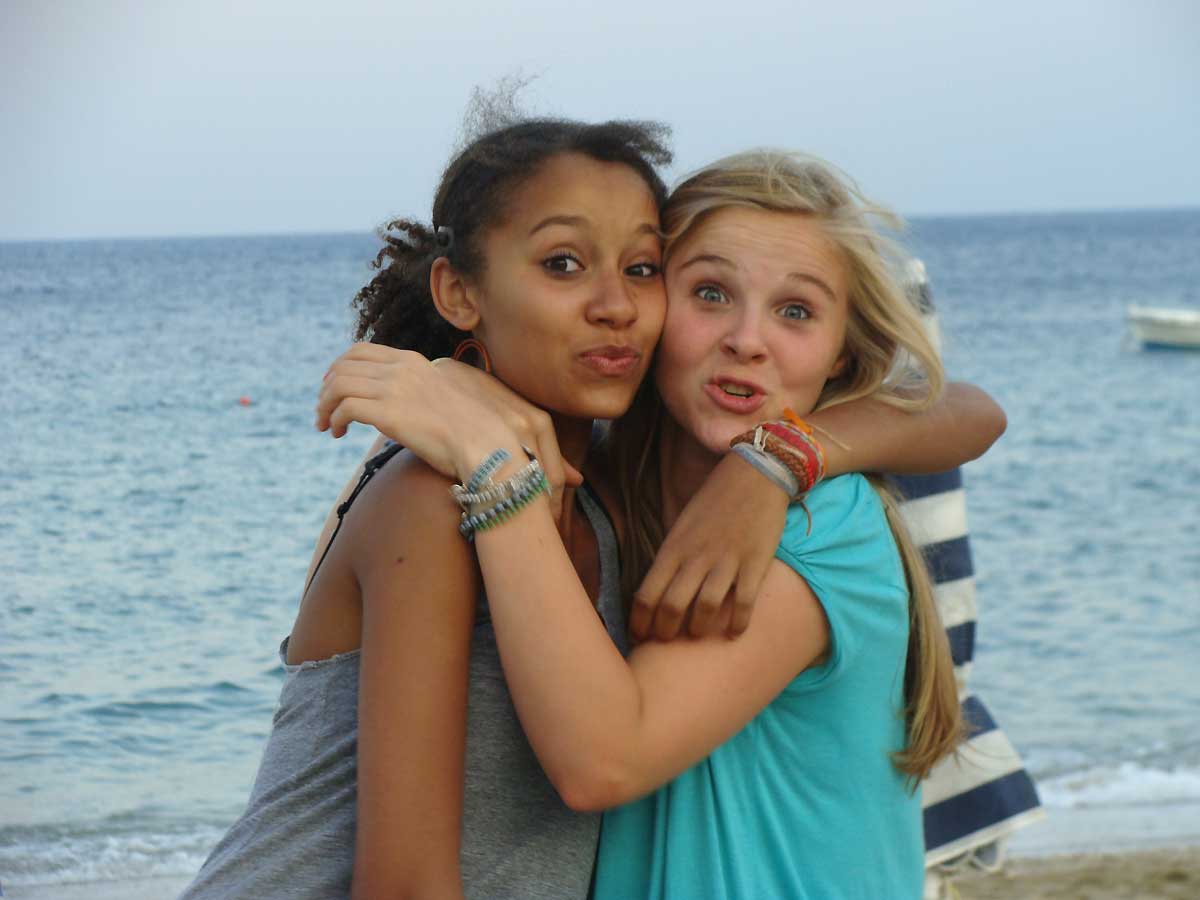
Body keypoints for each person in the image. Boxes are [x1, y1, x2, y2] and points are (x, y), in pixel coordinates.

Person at [319, 149, 995, 898]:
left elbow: (603, 761)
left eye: (796, 311)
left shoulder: (826, 524)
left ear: (842, 355)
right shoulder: (606, 489)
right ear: (655, 306)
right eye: (709, 293)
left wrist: (778, 460)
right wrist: (461, 392)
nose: (747, 339)